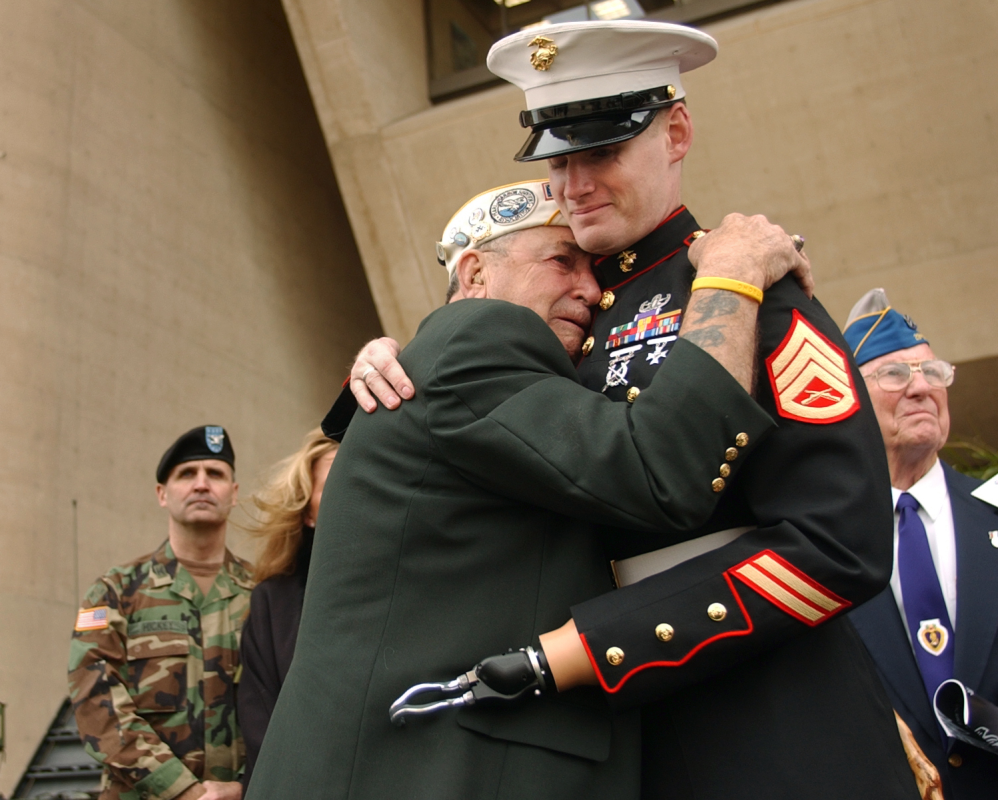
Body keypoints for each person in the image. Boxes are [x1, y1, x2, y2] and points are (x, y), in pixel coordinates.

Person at [349, 20, 916, 799]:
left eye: (603, 150)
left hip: (767, 726)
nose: (573, 184)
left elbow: (840, 541)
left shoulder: (747, 289)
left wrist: (601, 645)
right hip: (590, 746)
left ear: (676, 131)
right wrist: (388, 360)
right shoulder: (556, 313)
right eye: (558, 156)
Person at [246, 177, 808, 800]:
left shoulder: (456, 364)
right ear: (476, 275)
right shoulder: (476, 340)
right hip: (431, 770)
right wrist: (731, 275)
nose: (592, 291)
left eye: (593, 270)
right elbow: (664, 470)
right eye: (560, 261)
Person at [844, 289, 998, 799]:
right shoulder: (819, 540)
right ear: (850, 400)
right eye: (893, 374)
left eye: (933, 373)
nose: (921, 389)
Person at [69, 426, 253, 800]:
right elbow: (98, 707)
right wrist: (183, 792)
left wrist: (244, 787)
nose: (202, 484)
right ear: (161, 495)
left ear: (234, 494)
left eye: (215, 474)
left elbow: (290, 705)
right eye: (187, 474)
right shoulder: (115, 592)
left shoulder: (265, 594)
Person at [237, 429, 338, 791]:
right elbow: (261, 728)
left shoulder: (413, 588)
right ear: (307, 513)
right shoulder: (272, 603)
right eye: (335, 486)